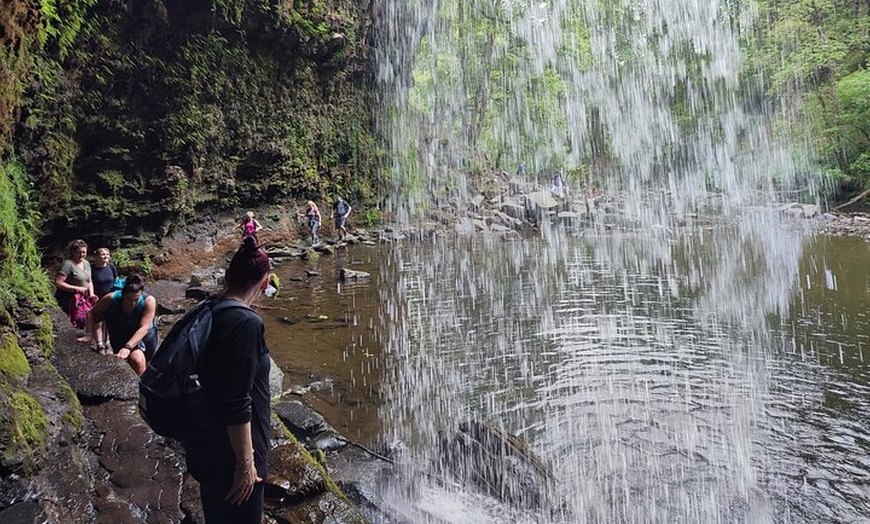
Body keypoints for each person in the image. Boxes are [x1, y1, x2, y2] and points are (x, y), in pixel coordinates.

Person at [182, 235, 272, 524]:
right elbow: (237, 401)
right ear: (265, 282)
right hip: (231, 456)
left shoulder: (210, 308)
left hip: (207, 441)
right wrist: (246, 465)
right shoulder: (246, 323)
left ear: (228, 275)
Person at [77, 275, 157, 372]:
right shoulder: (111, 298)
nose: (132, 303)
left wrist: (128, 347)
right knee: (131, 360)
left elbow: (144, 327)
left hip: (143, 336)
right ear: (123, 295)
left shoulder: (148, 301)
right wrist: (89, 334)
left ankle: (141, 383)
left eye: (136, 300)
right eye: (129, 300)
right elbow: (92, 313)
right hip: (119, 333)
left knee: (143, 362)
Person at [55, 239, 95, 328]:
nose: (82, 255)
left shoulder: (86, 263)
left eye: (84, 252)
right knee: (70, 324)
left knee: (83, 320)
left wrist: (91, 293)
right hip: (68, 299)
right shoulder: (67, 264)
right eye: (79, 252)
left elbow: (89, 280)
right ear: (73, 252)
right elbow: (58, 282)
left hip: (83, 299)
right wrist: (76, 288)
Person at [90, 247, 119, 351]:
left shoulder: (111, 267)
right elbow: (89, 282)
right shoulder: (91, 269)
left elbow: (116, 280)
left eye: (107, 254)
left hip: (110, 298)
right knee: (98, 320)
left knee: (108, 320)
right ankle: (99, 343)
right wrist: (91, 294)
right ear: (96, 257)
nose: (106, 256)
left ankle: (106, 340)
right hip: (96, 298)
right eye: (103, 254)